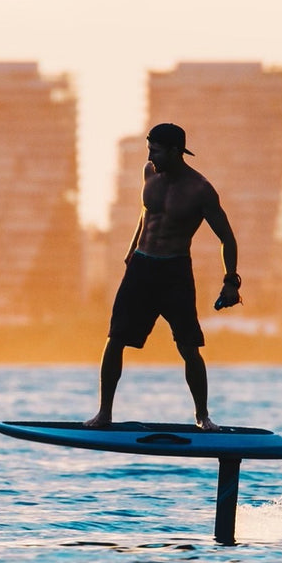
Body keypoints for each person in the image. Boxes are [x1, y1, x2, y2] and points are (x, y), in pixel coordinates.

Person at [86, 122, 240, 432]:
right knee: (115, 338)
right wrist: (131, 252)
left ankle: (202, 416)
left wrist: (230, 280)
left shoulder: (200, 190)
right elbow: (146, 216)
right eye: (148, 149)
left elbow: (227, 238)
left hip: (175, 271)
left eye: (155, 150)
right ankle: (104, 413)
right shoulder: (149, 173)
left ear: (175, 151)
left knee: (188, 347)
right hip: (141, 267)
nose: (150, 155)